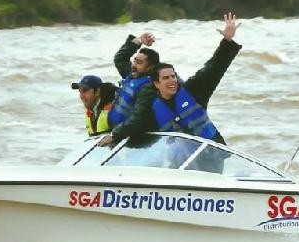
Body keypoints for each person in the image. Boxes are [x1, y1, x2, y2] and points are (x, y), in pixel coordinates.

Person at [100, 12, 241, 147]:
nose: (172, 81)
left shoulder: (193, 91)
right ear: (156, 83)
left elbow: (214, 67)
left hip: (211, 151)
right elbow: (136, 122)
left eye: (173, 76)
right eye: (166, 78)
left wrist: (227, 41)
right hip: (180, 158)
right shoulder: (151, 108)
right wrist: (115, 136)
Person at [108, 32, 160, 128]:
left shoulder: (151, 88)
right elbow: (120, 59)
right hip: (116, 128)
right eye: (134, 61)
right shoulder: (132, 75)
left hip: (128, 131)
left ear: (150, 67)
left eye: (139, 62)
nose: (134, 65)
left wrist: (116, 134)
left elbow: (138, 117)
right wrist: (139, 41)